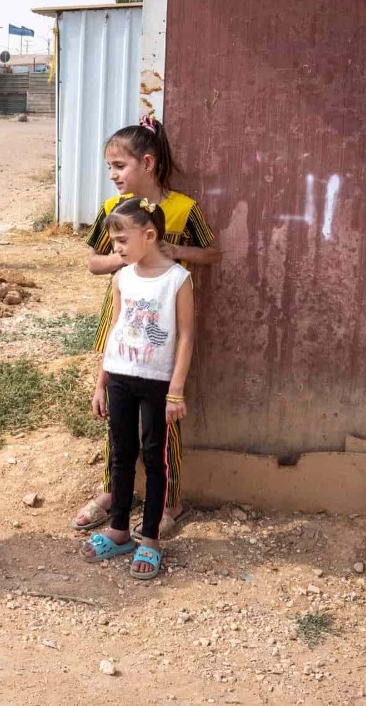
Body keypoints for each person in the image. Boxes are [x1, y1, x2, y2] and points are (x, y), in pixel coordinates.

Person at [70, 115, 220, 539]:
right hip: (122, 325)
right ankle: (111, 495)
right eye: (110, 169)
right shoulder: (111, 212)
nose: (114, 176)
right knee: (116, 422)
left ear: (148, 163)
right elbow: (92, 262)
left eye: (120, 166)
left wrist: (174, 249)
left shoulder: (184, 208)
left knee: (163, 426)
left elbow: (213, 254)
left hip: (164, 332)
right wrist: (123, 257)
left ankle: (169, 501)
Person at [79, 198, 195, 580]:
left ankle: (150, 539)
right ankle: (118, 530)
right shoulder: (122, 277)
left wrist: (175, 390)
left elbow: (186, 338)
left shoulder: (177, 279)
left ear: (150, 235)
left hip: (158, 383)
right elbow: (114, 331)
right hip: (121, 377)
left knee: (153, 456)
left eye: (122, 242)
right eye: (114, 243)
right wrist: (101, 381)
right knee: (121, 453)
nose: (117, 251)